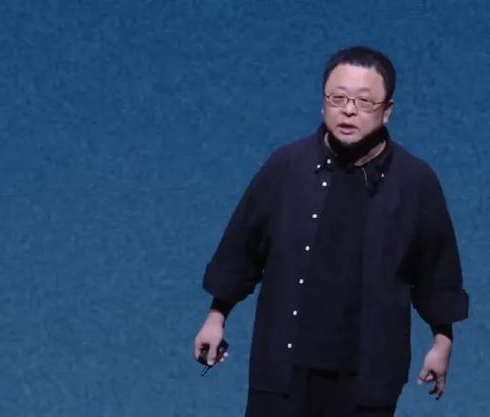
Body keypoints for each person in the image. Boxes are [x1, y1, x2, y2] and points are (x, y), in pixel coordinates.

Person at [193, 46, 469, 417]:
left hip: (366, 376)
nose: (348, 110)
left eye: (364, 101)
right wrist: (216, 317)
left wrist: (442, 339)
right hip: (283, 368)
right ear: (323, 101)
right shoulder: (286, 167)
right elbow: (241, 248)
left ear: (387, 110)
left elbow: (438, 268)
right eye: (338, 98)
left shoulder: (415, 182)